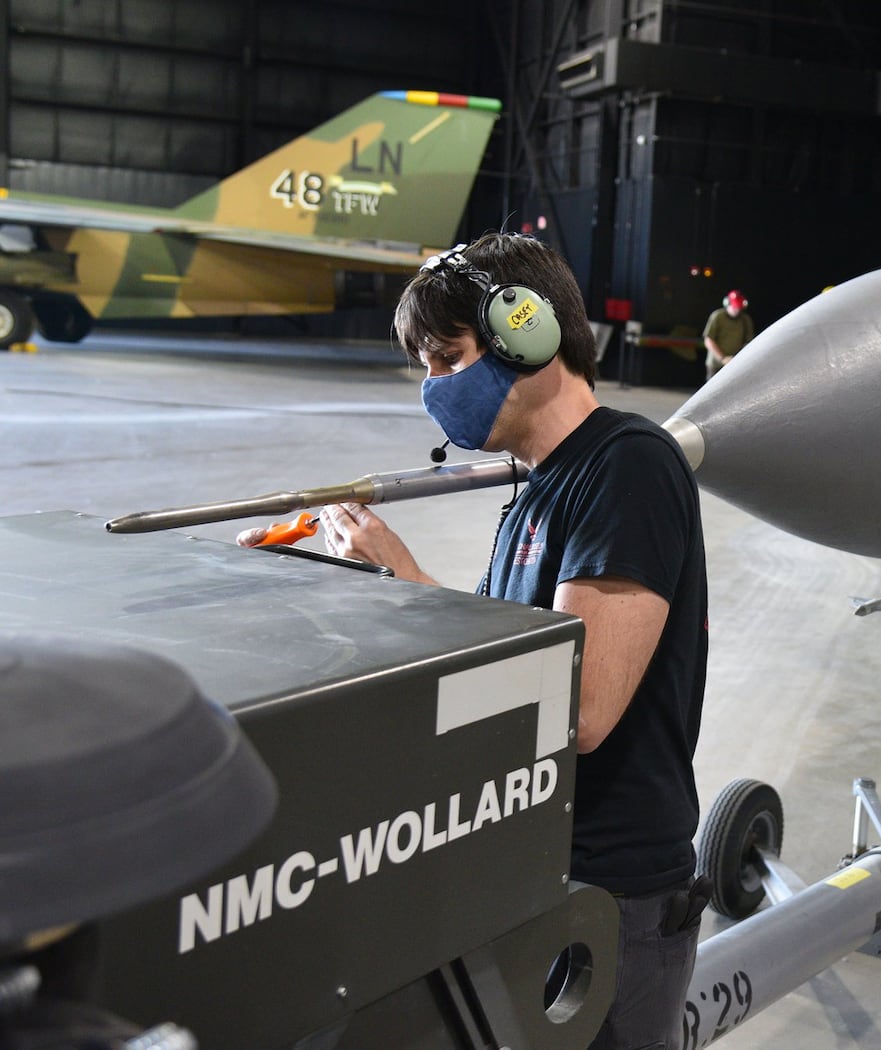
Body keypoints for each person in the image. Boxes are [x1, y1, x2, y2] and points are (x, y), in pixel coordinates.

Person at [238, 232, 709, 1050]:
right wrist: (350, 589)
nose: (434, 388)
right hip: (531, 865)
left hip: (611, 894)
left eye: (446, 357)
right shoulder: (538, 490)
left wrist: (409, 581)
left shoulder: (628, 466)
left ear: (526, 333)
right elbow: (505, 654)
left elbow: (582, 703)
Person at [701, 290, 754, 380]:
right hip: (715, 364)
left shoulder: (745, 319)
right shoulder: (718, 316)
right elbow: (708, 340)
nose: (737, 310)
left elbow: (748, 342)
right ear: (727, 304)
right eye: (734, 307)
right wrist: (723, 358)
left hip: (734, 365)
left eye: (739, 308)